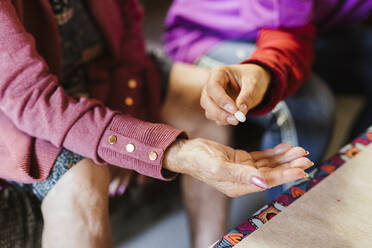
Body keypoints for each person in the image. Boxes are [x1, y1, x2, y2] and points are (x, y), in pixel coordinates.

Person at [0, 0, 312, 247]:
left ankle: (211, 244)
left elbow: (128, 32)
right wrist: (144, 147)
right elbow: (34, 100)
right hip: (21, 110)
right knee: (81, 179)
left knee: (205, 99)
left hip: (99, 80)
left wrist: (125, 123)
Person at [164, 0, 372, 246]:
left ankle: (351, 187)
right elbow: (284, 33)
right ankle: (294, 231)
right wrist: (264, 72)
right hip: (216, 32)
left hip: (302, 24)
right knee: (309, 107)